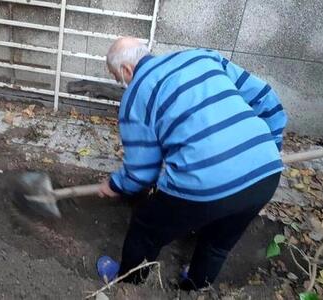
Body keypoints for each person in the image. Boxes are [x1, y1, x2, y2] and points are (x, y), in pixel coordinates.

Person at [96, 37, 287, 290]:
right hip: (267, 173)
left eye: (119, 79)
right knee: (219, 242)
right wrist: (268, 147)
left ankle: (127, 282)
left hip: (204, 185)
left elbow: (141, 173)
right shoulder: (203, 56)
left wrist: (115, 185)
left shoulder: (135, 96)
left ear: (126, 70)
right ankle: (195, 286)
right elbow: (266, 97)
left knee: (144, 227)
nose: (124, 84)